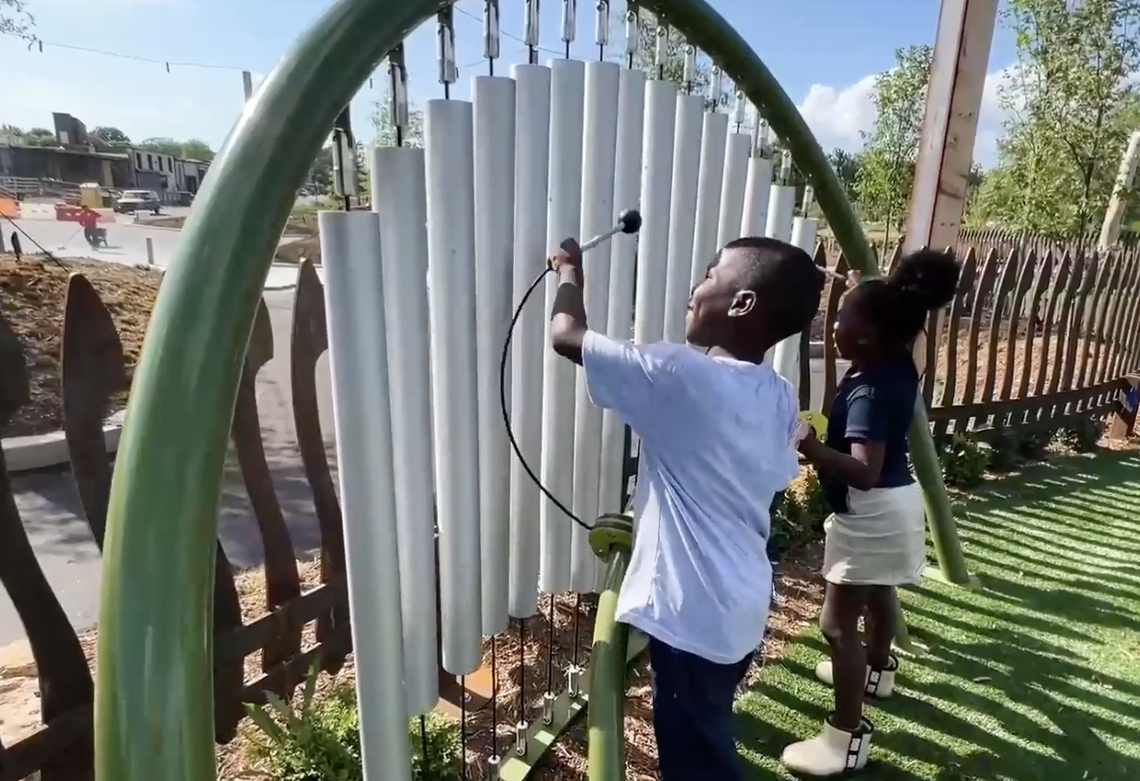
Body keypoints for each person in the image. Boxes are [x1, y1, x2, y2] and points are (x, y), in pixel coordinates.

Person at [548, 235, 826, 781]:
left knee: (695, 760)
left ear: (741, 303)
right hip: (740, 603)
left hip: (692, 614)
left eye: (708, 275)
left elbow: (565, 336)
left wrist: (567, 273)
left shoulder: (679, 375)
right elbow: (775, 471)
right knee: (705, 729)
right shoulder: (777, 393)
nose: (694, 289)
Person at [781, 249, 960, 777]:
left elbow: (861, 470)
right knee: (880, 592)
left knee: (837, 628)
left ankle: (844, 739)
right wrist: (868, 289)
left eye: (841, 318)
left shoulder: (866, 392)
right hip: (897, 504)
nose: (833, 324)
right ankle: (878, 672)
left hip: (870, 508)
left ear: (866, 335)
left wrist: (809, 446)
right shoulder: (898, 363)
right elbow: (897, 319)